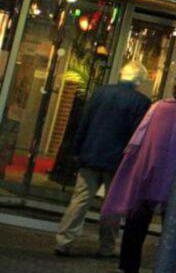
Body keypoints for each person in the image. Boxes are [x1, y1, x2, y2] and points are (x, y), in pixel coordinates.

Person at [101, 74, 176, 273]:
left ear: (174, 90)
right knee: (172, 225)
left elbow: (138, 138)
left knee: (137, 221)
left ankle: (129, 265)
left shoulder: (157, 107)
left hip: (149, 170)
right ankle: (167, 268)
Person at [54, 62, 150, 257]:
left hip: (91, 153)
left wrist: (77, 149)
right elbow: (137, 136)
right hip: (118, 162)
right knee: (112, 205)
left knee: (80, 199)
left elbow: (85, 122)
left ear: (122, 74)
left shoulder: (100, 93)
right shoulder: (141, 102)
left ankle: (64, 241)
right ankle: (107, 246)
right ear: (139, 80)